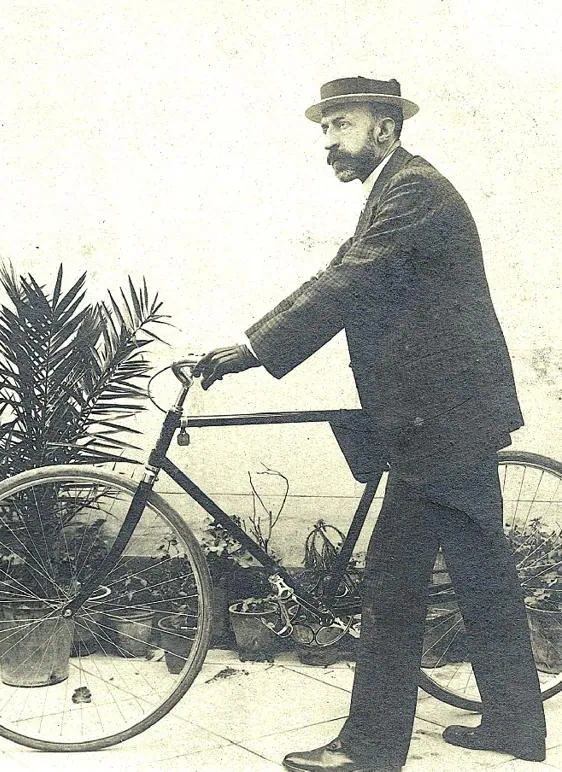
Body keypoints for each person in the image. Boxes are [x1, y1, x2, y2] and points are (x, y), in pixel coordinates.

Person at [195, 76, 547, 772]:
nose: (327, 142)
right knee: (482, 576)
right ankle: (514, 727)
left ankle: (368, 749)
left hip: (439, 422)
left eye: (341, 125)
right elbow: (333, 277)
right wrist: (251, 343)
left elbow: (348, 283)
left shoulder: (413, 191)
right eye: (324, 128)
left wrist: (252, 351)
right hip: (448, 415)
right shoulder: (396, 190)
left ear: (384, 129)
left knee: (392, 583)